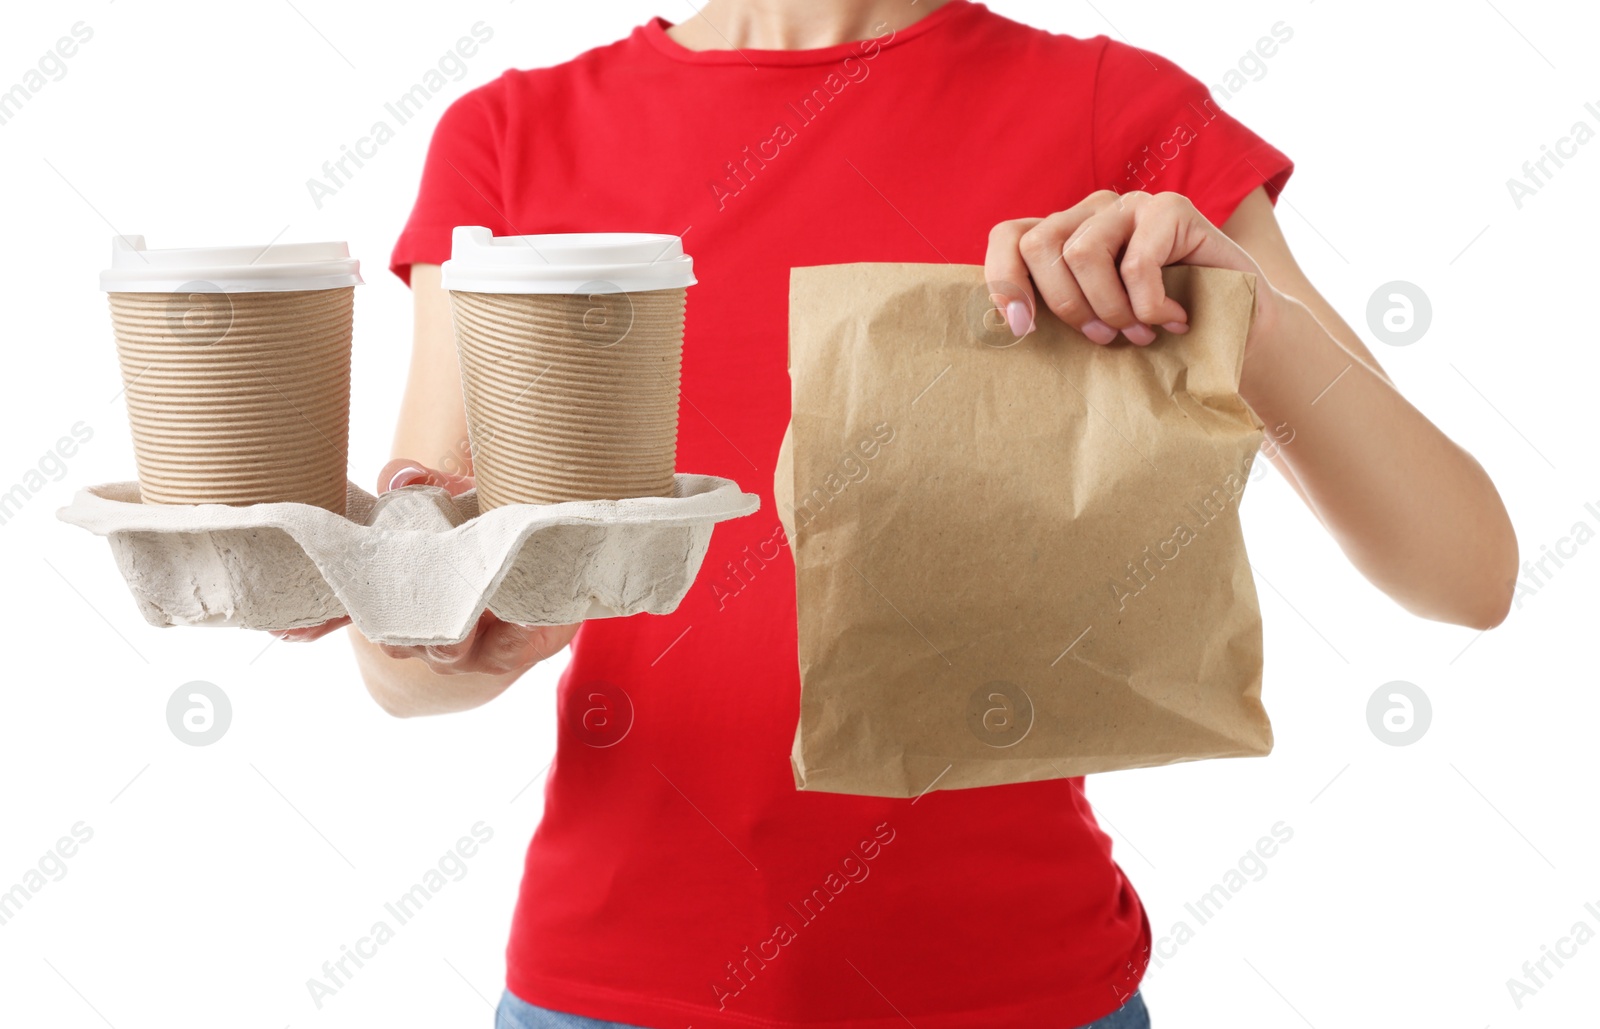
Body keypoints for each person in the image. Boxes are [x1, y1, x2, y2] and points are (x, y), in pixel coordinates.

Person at [290, 2, 1517, 1026]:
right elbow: (402, 658)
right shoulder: (510, 137)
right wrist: (448, 644)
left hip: (1018, 987)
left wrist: (1237, 301)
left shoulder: (1116, 114)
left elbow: (1465, 571)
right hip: (608, 987)